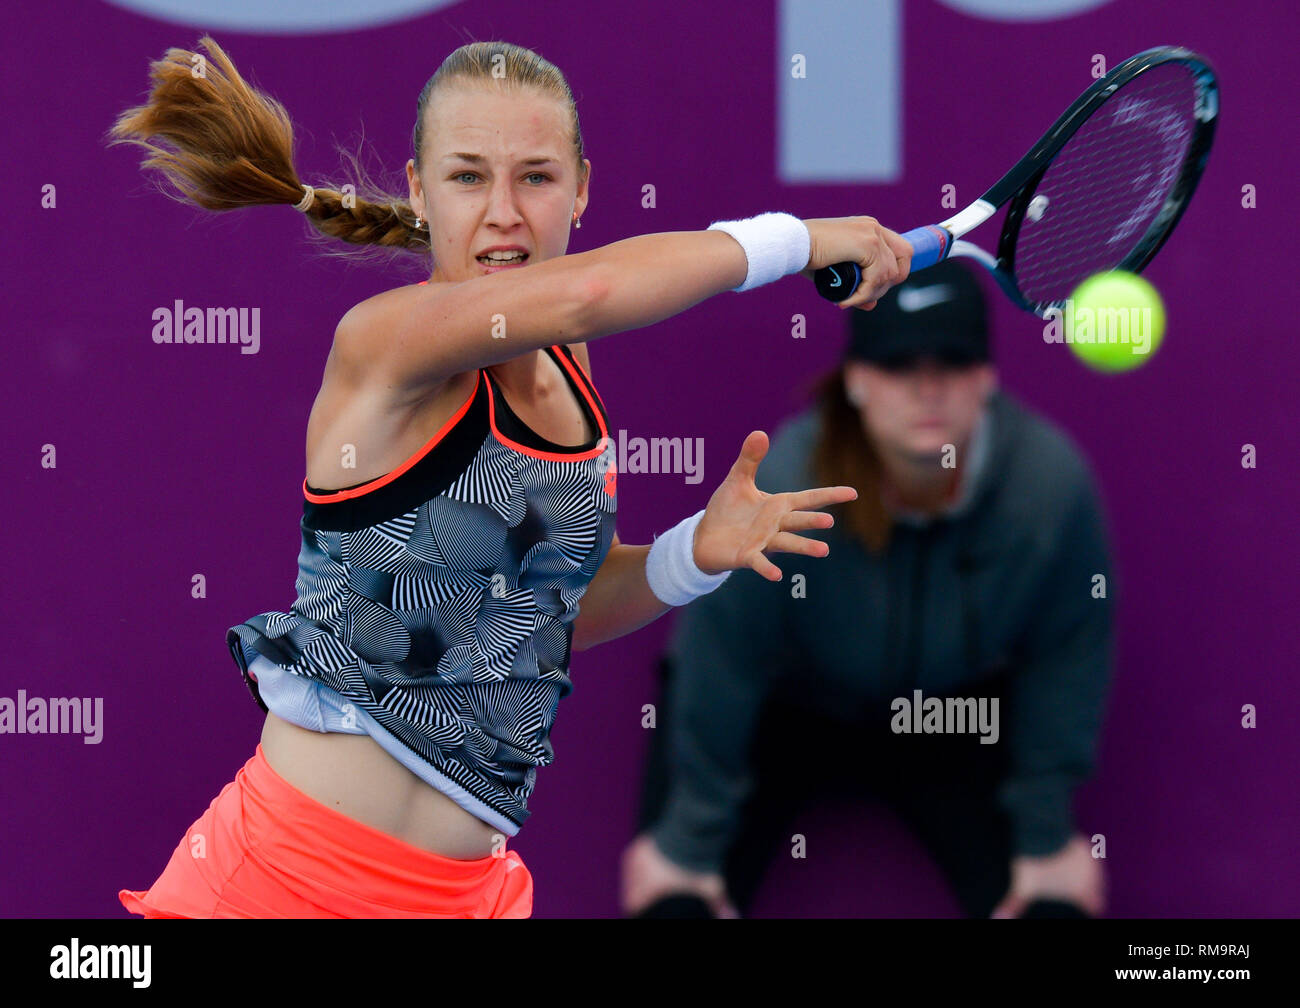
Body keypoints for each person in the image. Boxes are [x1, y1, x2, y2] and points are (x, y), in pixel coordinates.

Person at [108, 35, 912, 918]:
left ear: (583, 189)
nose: (503, 212)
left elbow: (542, 613)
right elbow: (592, 291)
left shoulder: (568, 369)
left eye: (535, 176)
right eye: (466, 177)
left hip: (469, 894)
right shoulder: (385, 339)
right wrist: (798, 240)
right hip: (284, 884)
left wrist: (689, 556)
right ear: (418, 189)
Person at [621, 259, 1115, 919]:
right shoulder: (789, 485)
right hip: (788, 710)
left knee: (1054, 911)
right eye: (900, 365)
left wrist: (1045, 832)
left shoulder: (1049, 488)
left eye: (953, 362)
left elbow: (1068, 655)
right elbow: (721, 658)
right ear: (856, 381)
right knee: (673, 905)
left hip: (948, 716)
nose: (928, 388)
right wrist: (687, 842)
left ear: (987, 378)